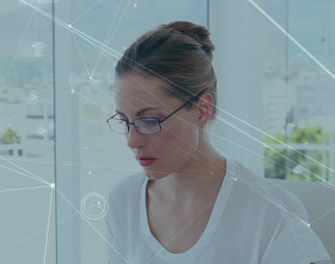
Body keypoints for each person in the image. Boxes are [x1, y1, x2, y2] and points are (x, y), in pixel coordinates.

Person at [104, 21, 331, 264]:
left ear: (202, 109)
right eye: (124, 121)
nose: (132, 141)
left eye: (150, 121)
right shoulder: (124, 202)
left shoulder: (272, 213)